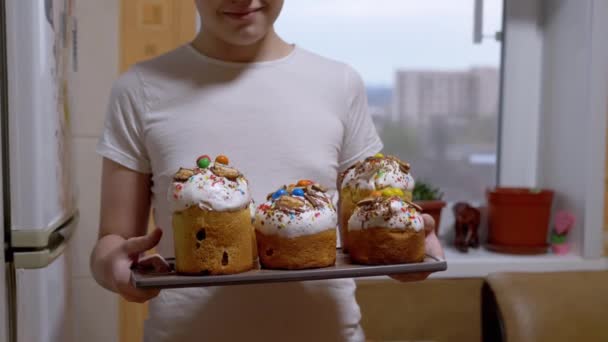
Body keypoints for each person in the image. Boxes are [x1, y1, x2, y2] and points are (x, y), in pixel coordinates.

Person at [90, 0, 445, 341]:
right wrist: (114, 268)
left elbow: (375, 218)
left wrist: (411, 251)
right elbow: (111, 242)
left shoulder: (339, 84)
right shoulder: (139, 89)